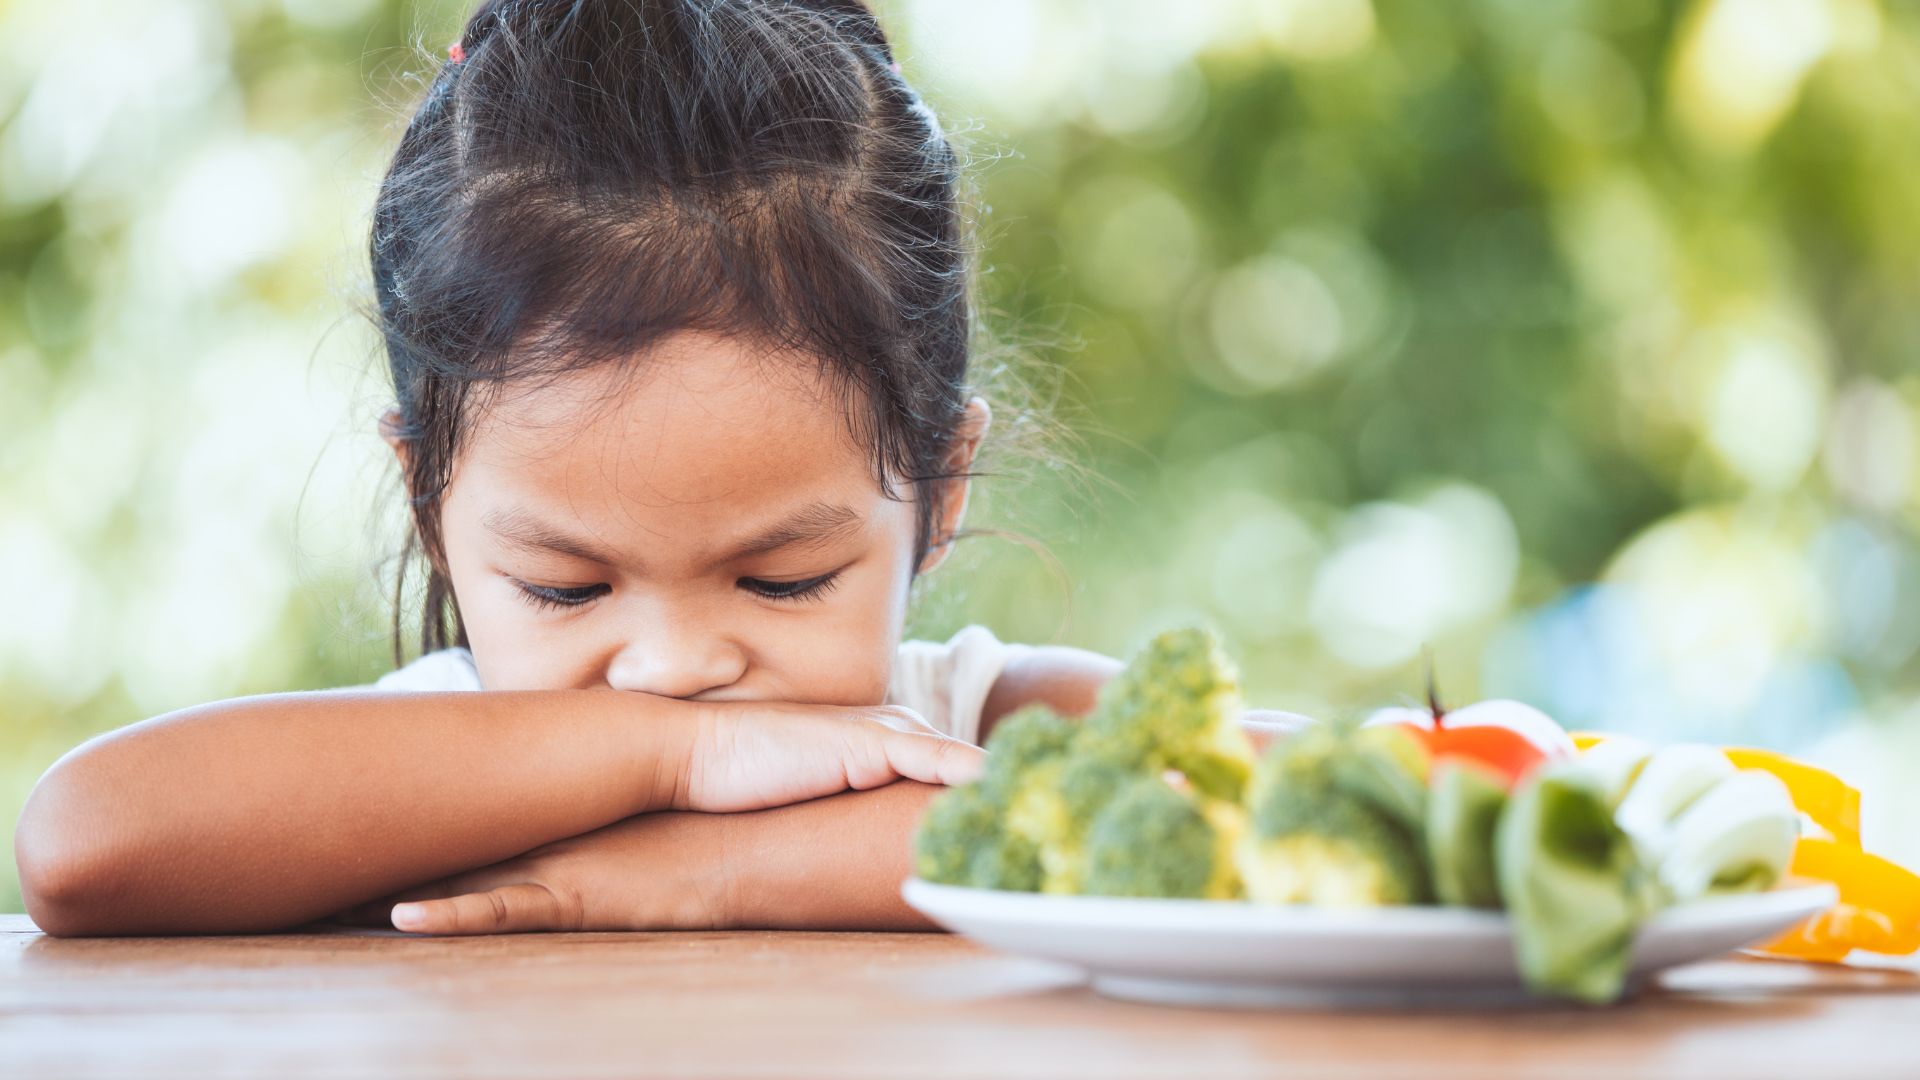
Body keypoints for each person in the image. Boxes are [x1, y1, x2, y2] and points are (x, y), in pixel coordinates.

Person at [12, 0, 1135, 939]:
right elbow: (80, 847)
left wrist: (706, 876)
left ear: (938, 493)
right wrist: (682, 761)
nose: (672, 669)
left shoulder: (973, 721)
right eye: (566, 588)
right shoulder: (414, 766)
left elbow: (1280, 800)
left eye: (783, 579)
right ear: (429, 502)